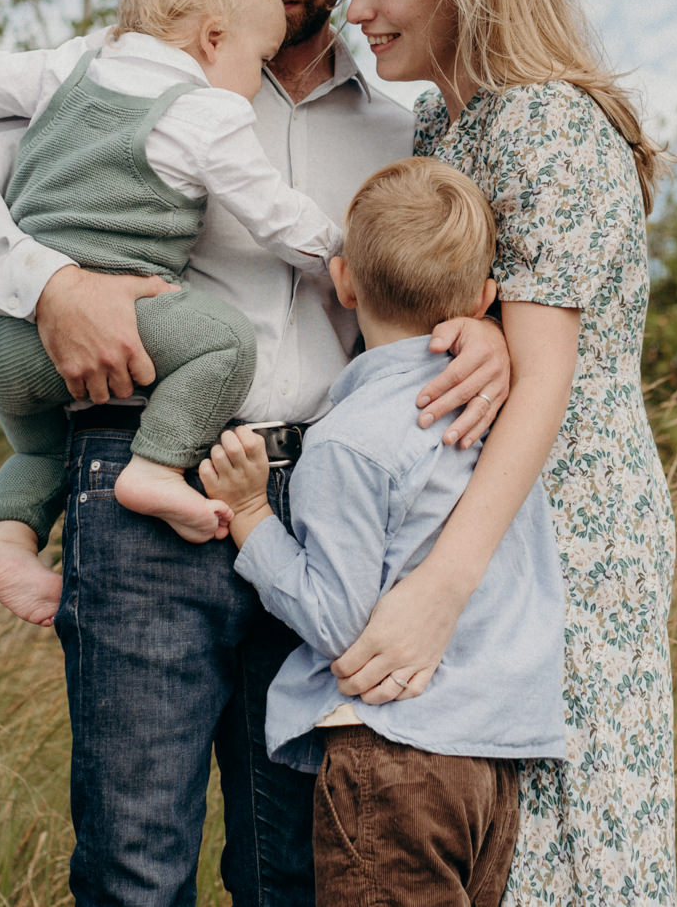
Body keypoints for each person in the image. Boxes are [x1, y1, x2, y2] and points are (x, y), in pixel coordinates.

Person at [0, 0, 513, 907]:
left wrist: (489, 334)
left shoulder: (402, 123)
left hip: (326, 507)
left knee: (290, 871)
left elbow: (446, 277)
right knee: (135, 863)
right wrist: (54, 285)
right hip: (143, 478)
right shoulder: (117, 70)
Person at [334, 0, 677, 904]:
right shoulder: (445, 125)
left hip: (564, 525)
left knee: (565, 846)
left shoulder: (545, 122)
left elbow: (545, 385)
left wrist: (441, 587)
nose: (355, 8)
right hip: (489, 519)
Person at [200, 156, 565, 907]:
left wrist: (251, 518)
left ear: (344, 282)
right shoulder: (502, 419)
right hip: (495, 764)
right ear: (485, 300)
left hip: (394, 755)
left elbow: (340, 620)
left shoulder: (349, 439)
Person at [0, 0, 345, 626]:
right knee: (224, 343)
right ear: (213, 38)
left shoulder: (71, 69)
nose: (256, 80)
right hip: (110, 324)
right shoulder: (204, 110)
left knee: (42, 447)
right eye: (258, 60)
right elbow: (273, 213)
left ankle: (4, 542)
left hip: (0, 332)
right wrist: (340, 250)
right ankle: (156, 468)